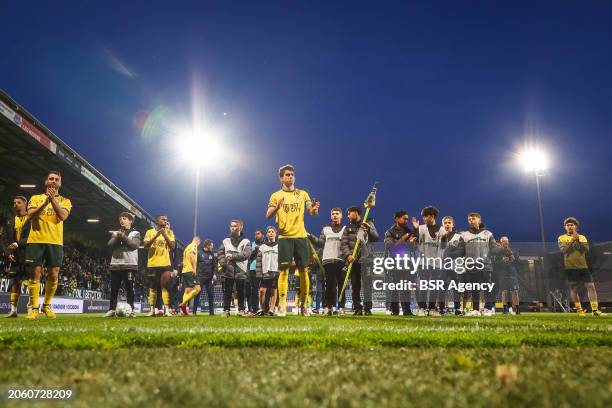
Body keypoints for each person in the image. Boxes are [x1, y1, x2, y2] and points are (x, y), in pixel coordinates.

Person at [266, 164, 320, 316]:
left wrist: (314, 209)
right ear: (281, 178)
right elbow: (268, 215)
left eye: (292, 174)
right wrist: (277, 207)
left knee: (303, 270)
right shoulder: (275, 195)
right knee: (283, 270)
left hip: (301, 236)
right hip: (285, 237)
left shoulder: (303, 194)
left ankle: (304, 306)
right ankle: (282, 306)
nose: (290, 176)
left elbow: (312, 212)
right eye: (287, 174)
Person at [25, 171, 72, 319]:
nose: (53, 181)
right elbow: (30, 215)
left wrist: (52, 200)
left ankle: (46, 305)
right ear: (46, 181)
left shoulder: (66, 201)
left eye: (56, 179)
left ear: (60, 184)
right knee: (35, 274)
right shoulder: (36, 198)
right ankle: (34, 308)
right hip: (36, 240)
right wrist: (45, 202)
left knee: (53, 275)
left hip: (55, 242)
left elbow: (63, 216)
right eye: (51, 179)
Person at [558, 217, 604, 316]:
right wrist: (572, 241)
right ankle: (580, 310)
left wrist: (577, 240)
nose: (570, 226)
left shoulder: (582, 237)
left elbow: (586, 249)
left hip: (583, 266)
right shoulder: (561, 238)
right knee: (574, 289)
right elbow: (563, 251)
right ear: (565, 227)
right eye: (568, 225)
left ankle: (595, 310)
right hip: (570, 267)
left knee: (591, 286)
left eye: (572, 225)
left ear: (576, 227)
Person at [340, 205, 379, 315]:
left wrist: (368, 229)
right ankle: (357, 308)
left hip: (367, 260)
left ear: (356, 213)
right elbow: (344, 244)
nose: (348, 216)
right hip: (354, 261)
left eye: (349, 213)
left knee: (367, 285)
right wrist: (348, 255)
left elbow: (376, 237)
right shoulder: (347, 228)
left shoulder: (368, 223)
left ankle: (367, 309)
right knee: (355, 285)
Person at [460, 212, 500, 317]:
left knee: (487, 287)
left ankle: (488, 308)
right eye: (469, 219)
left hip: (485, 265)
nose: (471, 221)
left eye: (473, 218)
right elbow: (460, 250)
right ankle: (476, 309)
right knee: (474, 289)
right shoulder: (464, 235)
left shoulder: (487, 233)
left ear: (479, 220)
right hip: (471, 266)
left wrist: (500, 249)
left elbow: (493, 248)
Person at [309, 207, 346, 316]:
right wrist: (310, 236)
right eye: (333, 213)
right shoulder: (325, 229)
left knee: (341, 286)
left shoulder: (345, 229)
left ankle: (341, 307)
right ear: (331, 216)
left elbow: (347, 244)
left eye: (337, 213)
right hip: (327, 260)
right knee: (329, 286)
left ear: (341, 216)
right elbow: (320, 243)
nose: (335, 215)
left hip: (341, 261)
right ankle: (328, 307)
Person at [105, 212, 140, 317]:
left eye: (124, 218)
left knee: (130, 289)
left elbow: (134, 245)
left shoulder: (136, 233)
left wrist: (123, 237)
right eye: (120, 219)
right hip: (115, 265)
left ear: (130, 221)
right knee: (114, 289)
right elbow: (110, 245)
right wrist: (118, 237)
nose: (121, 220)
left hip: (129, 265)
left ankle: (131, 310)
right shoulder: (115, 233)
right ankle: (111, 310)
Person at [383, 210, 416, 316]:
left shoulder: (409, 231)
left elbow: (413, 248)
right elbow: (390, 247)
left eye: (407, 219)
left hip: (407, 263)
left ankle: (407, 311)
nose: (406, 220)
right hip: (394, 264)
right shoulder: (390, 232)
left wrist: (415, 232)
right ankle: (395, 311)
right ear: (397, 218)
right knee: (395, 289)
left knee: (406, 288)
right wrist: (403, 239)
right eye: (404, 218)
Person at [3, 196, 31, 317]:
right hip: (15, 256)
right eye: (14, 202)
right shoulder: (10, 220)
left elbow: (33, 237)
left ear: (25, 205)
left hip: (29, 253)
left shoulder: (31, 219)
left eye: (18, 202)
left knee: (31, 282)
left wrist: (18, 243)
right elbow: (4, 238)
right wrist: (8, 253)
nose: (15, 204)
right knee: (15, 282)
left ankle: (32, 308)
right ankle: (13, 310)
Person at [143, 214, 176, 316]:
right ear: (157, 221)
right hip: (153, 263)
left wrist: (164, 234)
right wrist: (157, 235)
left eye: (166, 220)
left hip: (165, 263)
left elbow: (172, 246)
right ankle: (152, 310)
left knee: (165, 287)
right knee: (153, 287)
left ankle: (166, 309)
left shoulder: (170, 232)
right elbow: (145, 246)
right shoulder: (149, 232)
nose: (165, 221)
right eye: (163, 219)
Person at [218, 220, 252, 317]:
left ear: (240, 227)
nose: (232, 228)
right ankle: (226, 310)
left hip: (241, 270)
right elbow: (220, 254)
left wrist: (232, 257)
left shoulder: (246, 241)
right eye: (231, 226)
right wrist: (224, 264)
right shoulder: (225, 241)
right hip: (228, 271)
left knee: (241, 292)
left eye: (235, 226)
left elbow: (246, 254)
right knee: (227, 292)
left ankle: (241, 310)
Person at [440, 216, 466, 315]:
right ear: (443, 225)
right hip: (442, 266)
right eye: (445, 223)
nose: (447, 224)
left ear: (453, 224)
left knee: (456, 287)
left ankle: (457, 309)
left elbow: (462, 251)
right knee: (442, 287)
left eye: (449, 223)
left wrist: (449, 254)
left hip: (455, 266)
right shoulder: (439, 237)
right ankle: (442, 309)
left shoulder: (458, 237)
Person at [256, 226, 279, 316]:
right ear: (266, 234)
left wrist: (280, 271)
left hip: (275, 272)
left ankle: (271, 309)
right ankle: (261, 309)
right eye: (269, 232)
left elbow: (281, 260)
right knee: (262, 291)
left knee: (273, 291)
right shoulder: (262, 247)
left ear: (275, 234)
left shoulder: (279, 246)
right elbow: (258, 261)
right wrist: (258, 273)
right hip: (264, 272)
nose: (271, 233)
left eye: (273, 231)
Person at [495, 236, 520, 315]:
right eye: (504, 241)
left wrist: (509, 262)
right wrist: (508, 263)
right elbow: (497, 263)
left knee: (515, 291)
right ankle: (505, 309)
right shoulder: (498, 252)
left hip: (512, 273)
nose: (506, 242)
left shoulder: (513, 251)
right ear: (500, 242)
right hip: (502, 273)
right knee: (504, 291)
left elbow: (516, 262)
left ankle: (517, 309)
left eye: (507, 241)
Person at [179, 236, 201, 315]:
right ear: (197, 241)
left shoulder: (187, 247)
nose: (198, 245)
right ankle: (183, 303)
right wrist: (194, 268)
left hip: (184, 271)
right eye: (199, 243)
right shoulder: (193, 246)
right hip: (190, 270)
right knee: (198, 289)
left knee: (187, 291)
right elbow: (192, 255)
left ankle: (184, 312)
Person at [194, 239, 217, 315]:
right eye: (212, 245)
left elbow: (214, 265)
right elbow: (195, 265)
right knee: (197, 294)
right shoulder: (199, 253)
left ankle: (211, 312)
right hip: (200, 277)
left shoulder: (212, 254)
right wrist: (196, 274)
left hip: (209, 278)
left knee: (211, 294)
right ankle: (194, 312)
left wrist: (214, 274)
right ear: (207, 245)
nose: (212, 247)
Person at [247, 230, 264, 316]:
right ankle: (255, 309)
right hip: (253, 269)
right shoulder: (251, 244)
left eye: (258, 233)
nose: (256, 235)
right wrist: (255, 251)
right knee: (254, 290)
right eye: (255, 234)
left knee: (264, 290)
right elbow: (248, 256)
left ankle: (265, 308)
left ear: (262, 235)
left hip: (263, 269)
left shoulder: (266, 244)